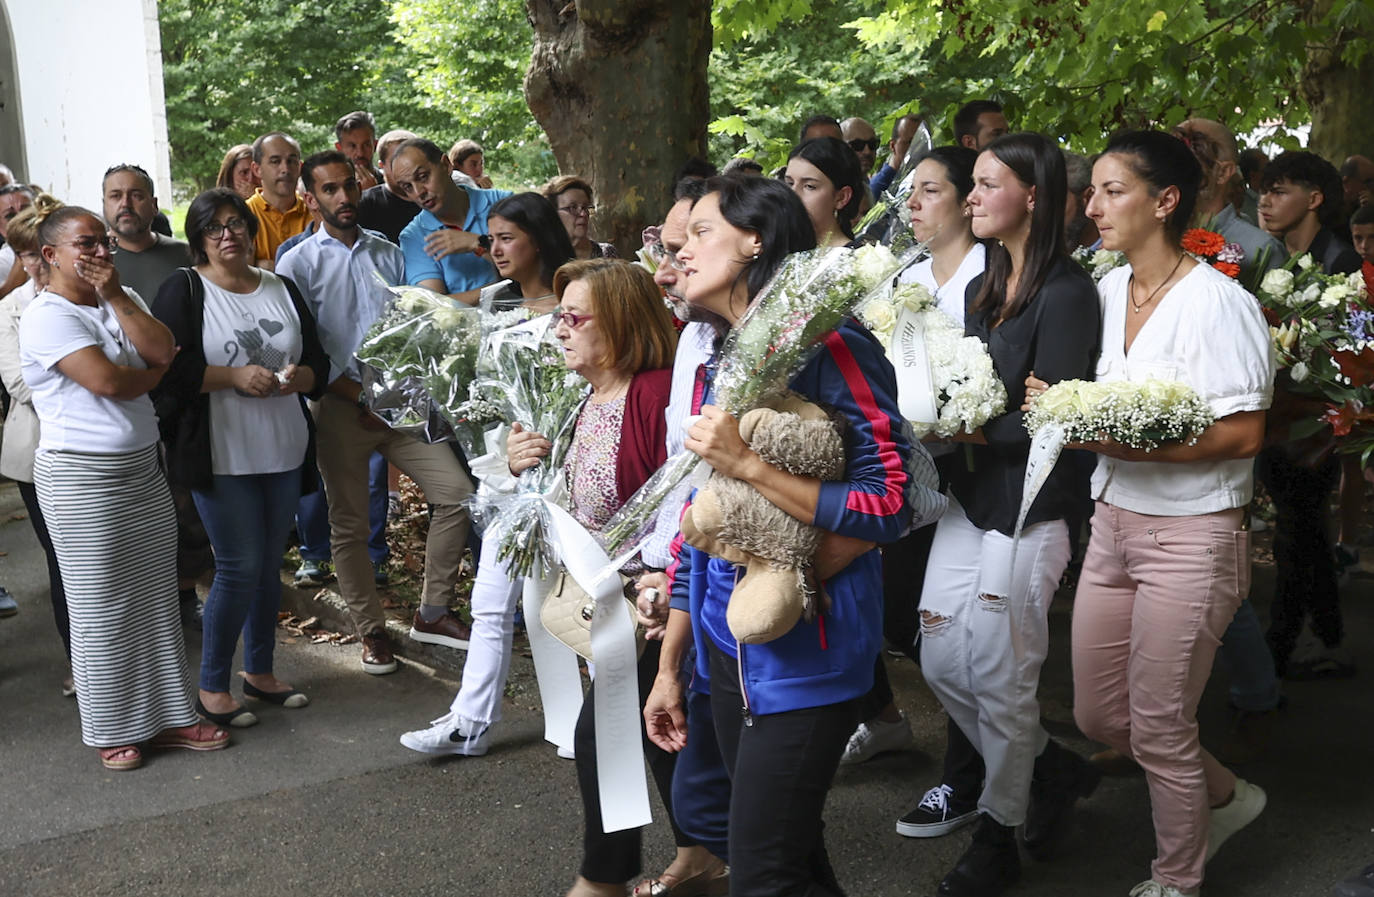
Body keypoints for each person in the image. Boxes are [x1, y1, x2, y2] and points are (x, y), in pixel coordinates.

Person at [647, 174, 913, 897]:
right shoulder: (720, 350)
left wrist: (751, 463)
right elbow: (701, 512)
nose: (682, 248)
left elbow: (893, 498)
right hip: (724, 649)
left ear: (757, 240)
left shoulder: (833, 341)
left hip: (808, 653)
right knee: (790, 858)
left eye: (702, 231)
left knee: (762, 871)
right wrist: (674, 665)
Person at [1034, 129, 1273, 897]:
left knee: (1163, 724)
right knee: (1105, 718)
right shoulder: (1104, 292)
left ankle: (1177, 878)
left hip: (1195, 536)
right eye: (1093, 190)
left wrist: (1117, 440)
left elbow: (1242, 432)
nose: (1092, 205)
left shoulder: (1220, 303)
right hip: (1113, 523)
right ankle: (1228, 796)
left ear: (1165, 201)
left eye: (1112, 191)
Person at [914, 133, 1100, 897]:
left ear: (1033, 193)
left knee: (1000, 670)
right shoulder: (990, 281)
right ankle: (1048, 765)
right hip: (973, 492)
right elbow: (973, 385)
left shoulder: (1066, 290)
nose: (972, 197)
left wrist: (972, 424)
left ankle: (997, 834)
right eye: (974, 184)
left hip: (1033, 504)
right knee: (938, 657)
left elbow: (1059, 413)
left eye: (989, 185)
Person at [19, 203, 229, 770]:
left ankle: (171, 717)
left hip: (141, 466)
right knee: (100, 606)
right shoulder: (46, 315)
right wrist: (154, 376)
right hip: (80, 476)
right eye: (85, 244)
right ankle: (113, 727)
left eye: (103, 242)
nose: (98, 253)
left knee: (157, 598)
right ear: (51, 255)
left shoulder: (121, 300)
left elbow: (164, 350)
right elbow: (109, 382)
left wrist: (116, 298)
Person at [496, 260, 682, 897]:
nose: (560, 331)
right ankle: (709, 859)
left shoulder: (655, 394)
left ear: (623, 323)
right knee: (660, 745)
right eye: (559, 318)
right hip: (614, 612)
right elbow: (572, 503)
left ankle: (602, 882)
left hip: (659, 606)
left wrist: (664, 580)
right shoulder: (580, 397)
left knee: (611, 737)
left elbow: (690, 500)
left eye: (574, 318)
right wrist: (526, 467)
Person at [278, 150, 477, 674]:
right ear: (310, 198)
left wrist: (397, 396)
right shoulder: (296, 264)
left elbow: (414, 330)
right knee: (350, 524)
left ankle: (433, 610)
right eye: (329, 190)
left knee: (456, 495)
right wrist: (355, 396)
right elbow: (300, 349)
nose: (343, 198)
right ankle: (371, 632)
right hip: (341, 409)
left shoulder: (388, 253)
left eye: (349, 186)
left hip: (401, 406)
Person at [398, 192, 576, 753]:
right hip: (504, 476)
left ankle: (594, 720)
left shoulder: (577, 300)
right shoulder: (493, 300)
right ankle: (469, 723)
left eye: (505, 238)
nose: (492, 250)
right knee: (489, 604)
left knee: (569, 605)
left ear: (539, 240)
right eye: (491, 237)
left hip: (569, 478)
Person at [150, 187, 330, 727]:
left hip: (282, 446)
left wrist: (303, 376)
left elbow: (319, 360)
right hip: (220, 451)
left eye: (236, 224)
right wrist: (232, 377)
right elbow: (166, 371)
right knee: (237, 566)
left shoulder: (282, 287)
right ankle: (210, 687)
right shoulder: (184, 289)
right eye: (213, 227)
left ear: (251, 232)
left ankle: (259, 672)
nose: (227, 234)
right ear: (198, 240)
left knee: (267, 565)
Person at [1256, 150, 1362, 681]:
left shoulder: (1340, 261)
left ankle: (1278, 652)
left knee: (1298, 534)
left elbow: (1347, 357)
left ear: (1315, 199)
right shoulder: (1278, 259)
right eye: (1264, 189)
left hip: (1314, 424)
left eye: (1279, 190)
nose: (1265, 200)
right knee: (1304, 534)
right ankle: (1327, 638)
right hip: (1286, 419)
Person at [102, 162, 210, 628]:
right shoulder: (93, 263)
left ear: (152, 202)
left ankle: (185, 594)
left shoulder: (185, 255)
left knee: (185, 505)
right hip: (120, 406)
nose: (126, 204)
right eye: (115, 195)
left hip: (183, 399)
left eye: (136, 194)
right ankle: (140, 603)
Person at [0, 195, 72, 686]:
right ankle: (80, 663)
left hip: (99, 449)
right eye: (23, 256)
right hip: (40, 451)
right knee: (63, 560)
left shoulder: (87, 294)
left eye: (38, 253)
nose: (33, 266)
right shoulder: (11, 309)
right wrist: (96, 378)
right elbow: (19, 384)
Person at [391, 137, 512, 305]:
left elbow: (535, 265)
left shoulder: (503, 203)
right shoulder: (414, 236)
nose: (419, 192)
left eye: (423, 176)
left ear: (446, 165)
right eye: (407, 187)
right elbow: (434, 305)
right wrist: (502, 288)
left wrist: (478, 243)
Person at [1173, 119, 1286, 283]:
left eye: (1193, 150)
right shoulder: (1152, 235)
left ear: (1224, 172)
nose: (1171, 165)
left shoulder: (1260, 249)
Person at [783, 137, 866, 248]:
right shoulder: (777, 253)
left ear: (842, 197)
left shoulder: (862, 261)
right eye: (789, 183)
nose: (793, 194)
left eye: (809, 186)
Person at [245, 132, 309, 270]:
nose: (285, 169)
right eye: (275, 161)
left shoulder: (317, 214)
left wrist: (264, 266)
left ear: (300, 168)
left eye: (291, 161)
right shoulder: (244, 215)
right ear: (257, 169)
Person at [357, 129, 421, 244]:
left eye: (412, 161)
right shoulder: (365, 204)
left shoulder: (434, 199)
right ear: (382, 165)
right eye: (396, 162)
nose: (405, 168)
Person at [543, 175, 618, 260]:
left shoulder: (607, 253)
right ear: (553, 214)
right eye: (573, 207)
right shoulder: (545, 259)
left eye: (586, 207)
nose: (583, 214)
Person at [871, 113, 925, 196]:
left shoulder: (921, 178)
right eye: (910, 142)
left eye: (920, 142)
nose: (917, 148)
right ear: (892, 146)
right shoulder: (879, 187)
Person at [334, 110, 382, 191]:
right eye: (352, 146)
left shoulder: (392, 185)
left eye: (366, 145)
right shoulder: (330, 189)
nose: (360, 153)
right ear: (339, 148)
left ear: (375, 145)